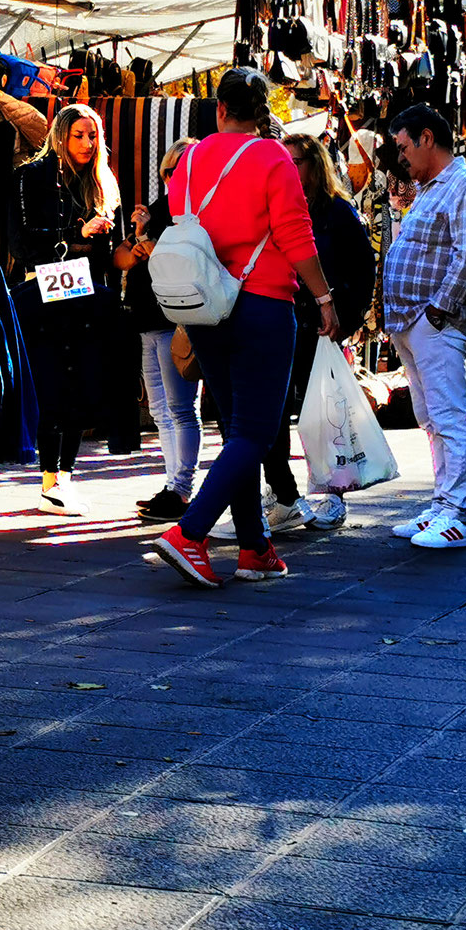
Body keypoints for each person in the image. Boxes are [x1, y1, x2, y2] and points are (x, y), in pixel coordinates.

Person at [148, 68, 339, 588]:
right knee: (255, 432)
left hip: (206, 306)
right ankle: (190, 533)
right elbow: (296, 237)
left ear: (219, 110)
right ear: (261, 113)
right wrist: (323, 297)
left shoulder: (187, 160)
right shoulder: (273, 157)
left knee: (237, 431)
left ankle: (255, 546)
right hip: (261, 305)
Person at [250, 132, 376, 535]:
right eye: (281, 161)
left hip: (320, 326)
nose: (287, 168)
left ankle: (332, 493)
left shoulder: (338, 212)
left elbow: (363, 269)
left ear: (315, 164)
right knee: (273, 412)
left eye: (296, 161)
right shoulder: (273, 206)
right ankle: (281, 493)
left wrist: (346, 317)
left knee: (324, 415)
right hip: (280, 319)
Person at [9, 103, 121, 514]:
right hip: (46, 292)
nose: (89, 144)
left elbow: (108, 252)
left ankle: (65, 478)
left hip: (88, 293)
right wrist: (78, 233)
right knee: (52, 383)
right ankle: (48, 479)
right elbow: (22, 244)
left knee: (80, 385)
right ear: (60, 136)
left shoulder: (102, 181)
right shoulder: (31, 176)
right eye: (80, 135)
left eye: (94, 136)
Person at [383, 104, 466, 550]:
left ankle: (461, 513)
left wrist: (437, 310)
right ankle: (444, 504)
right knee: (430, 418)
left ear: (426, 138)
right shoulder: (429, 188)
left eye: (404, 146)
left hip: (432, 321)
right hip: (414, 322)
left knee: (447, 417)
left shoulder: (460, 182)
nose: (400, 156)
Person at [117, 143, 200, 526]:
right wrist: (139, 234)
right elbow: (126, 258)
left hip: (174, 317)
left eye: (179, 169)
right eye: (168, 170)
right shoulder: (160, 206)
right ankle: (173, 485)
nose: (172, 177)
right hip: (148, 317)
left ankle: (181, 488)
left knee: (180, 409)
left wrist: (154, 244)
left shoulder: (194, 211)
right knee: (160, 410)